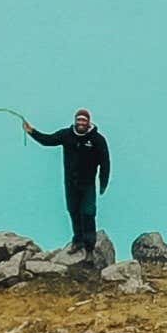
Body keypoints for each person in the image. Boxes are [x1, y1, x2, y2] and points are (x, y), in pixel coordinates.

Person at [23, 109, 110, 256]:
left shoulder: (97, 139)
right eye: (79, 120)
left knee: (88, 214)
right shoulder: (66, 135)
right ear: (75, 121)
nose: (81, 123)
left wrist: (103, 183)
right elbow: (47, 140)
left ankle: (89, 249)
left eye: (84, 121)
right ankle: (78, 241)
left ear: (88, 122)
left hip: (88, 184)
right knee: (74, 212)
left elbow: (105, 163)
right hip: (70, 184)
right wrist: (32, 131)